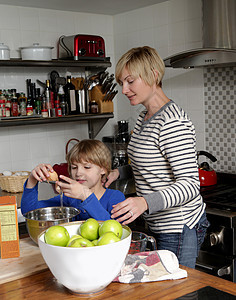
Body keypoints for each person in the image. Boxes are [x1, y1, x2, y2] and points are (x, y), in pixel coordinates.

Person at [106, 46, 209, 268]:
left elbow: (190, 185)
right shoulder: (145, 117)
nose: (124, 90)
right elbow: (149, 165)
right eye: (122, 82)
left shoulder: (172, 122)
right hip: (157, 223)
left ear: (153, 75)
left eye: (130, 81)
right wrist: (118, 173)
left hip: (179, 227)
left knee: (174, 292)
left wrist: (144, 202)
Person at [21, 139, 125, 221]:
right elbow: (29, 212)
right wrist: (32, 180)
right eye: (74, 167)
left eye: (87, 167)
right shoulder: (69, 199)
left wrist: (86, 196)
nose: (78, 173)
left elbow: (115, 231)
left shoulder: (115, 197)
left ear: (103, 169)